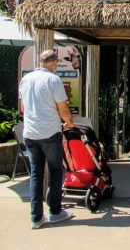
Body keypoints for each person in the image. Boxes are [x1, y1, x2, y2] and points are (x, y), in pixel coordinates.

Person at [19, 50, 75, 229]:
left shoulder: (26, 79)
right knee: (56, 171)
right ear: (53, 62)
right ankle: (55, 212)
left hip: (30, 133)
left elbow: (22, 107)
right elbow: (63, 107)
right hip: (49, 132)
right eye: (56, 63)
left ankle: (36, 217)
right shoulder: (53, 80)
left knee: (36, 174)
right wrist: (69, 123)